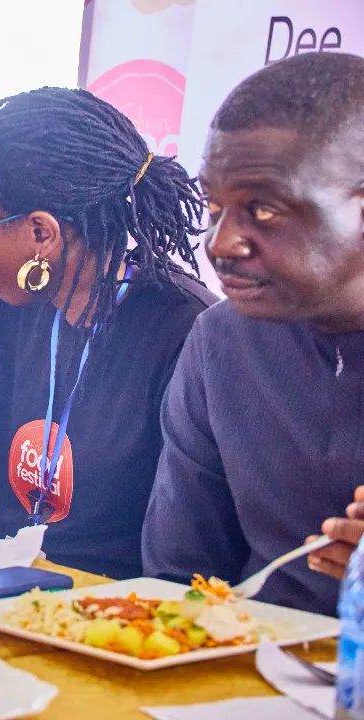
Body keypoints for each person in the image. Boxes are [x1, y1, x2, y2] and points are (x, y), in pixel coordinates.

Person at [0, 87, 215, 579]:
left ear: (41, 234)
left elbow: (189, 552)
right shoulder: (14, 310)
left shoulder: (186, 333)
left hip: (114, 608)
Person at [143, 52, 364, 616]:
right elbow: (178, 578)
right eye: (215, 206)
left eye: (261, 210)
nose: (220, 243)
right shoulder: (220, 341)